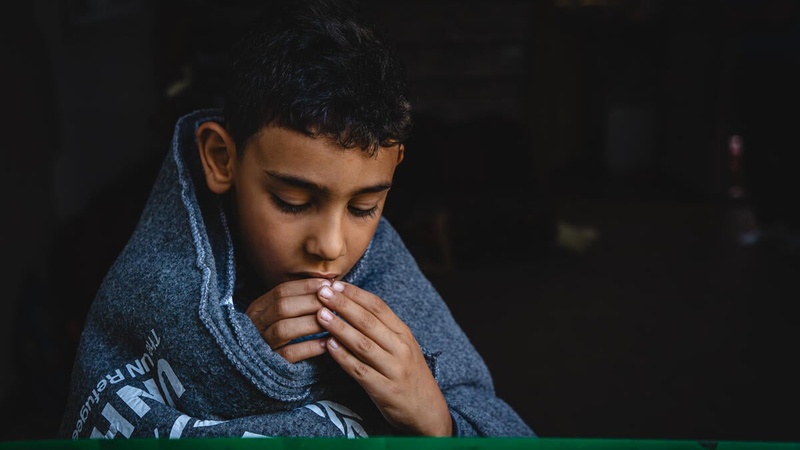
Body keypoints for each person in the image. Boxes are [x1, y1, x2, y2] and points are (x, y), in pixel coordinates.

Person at [58, 0, 535, 439]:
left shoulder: (384, 269)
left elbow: (497, 422)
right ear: (222, 158)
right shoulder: (156, 281)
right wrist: (232, 369)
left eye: (363, 207)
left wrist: (435, 416)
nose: (330, 246)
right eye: (292, 200)